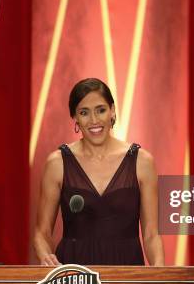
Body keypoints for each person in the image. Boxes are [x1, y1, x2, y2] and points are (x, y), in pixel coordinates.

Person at [33, 78, 165, 266]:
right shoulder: (57, 163)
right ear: (75, 117)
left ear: (112, 111)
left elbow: (152, 235)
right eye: (84, 113)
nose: (94, 120)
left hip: (127, 274)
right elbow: (42, 233)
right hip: (74, 278)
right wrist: (46, 256)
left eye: (101, 110)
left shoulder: (142, 162)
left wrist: (160, 276)